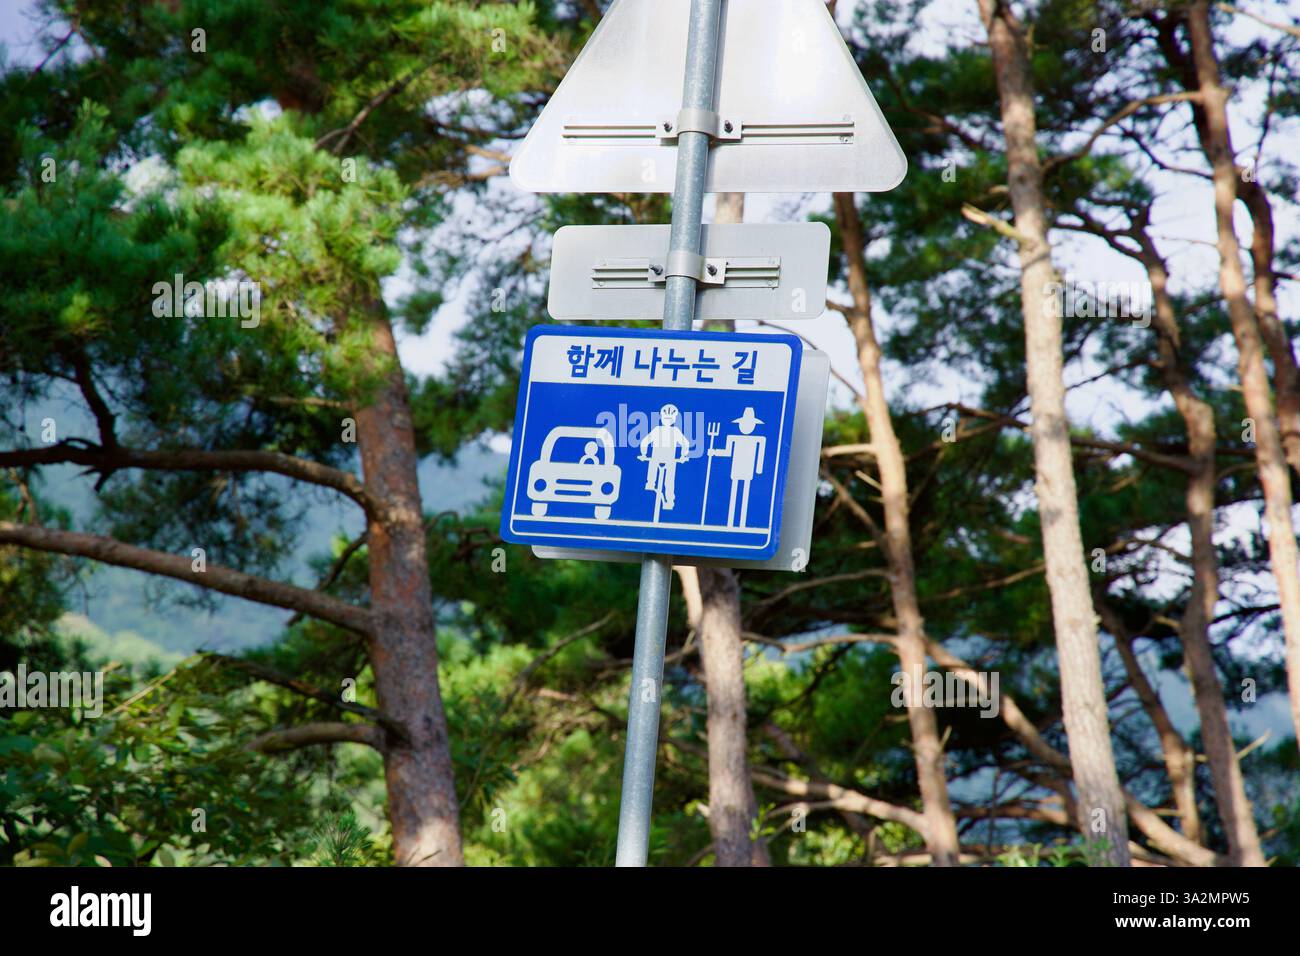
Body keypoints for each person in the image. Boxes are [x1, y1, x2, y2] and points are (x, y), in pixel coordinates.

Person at [708, 406, 766, 527]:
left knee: (745, 494)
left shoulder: (759, 439)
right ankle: (730, 522)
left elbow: (760, 454)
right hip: (736, 468)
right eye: (744, 423)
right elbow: (727, 452)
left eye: (749, 424)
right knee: (734, 493)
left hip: (748, 469)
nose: (746, 426)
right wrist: (714, 451)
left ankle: (742, 522)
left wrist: (759, 468)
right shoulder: (732, 438)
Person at [639, 403, 690, 511]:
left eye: (669, 418)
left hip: (670, 460)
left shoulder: (674, 431)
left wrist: (683, 456)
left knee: (669, 482)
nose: (667, 420)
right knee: (653, 473)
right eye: (665, 418)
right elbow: (645, 441)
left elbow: (685, 443)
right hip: (656, 458)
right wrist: (644, 454)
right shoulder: (658, 430)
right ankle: (650, 487)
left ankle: (669, 500)